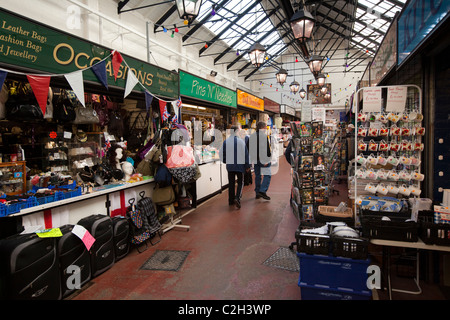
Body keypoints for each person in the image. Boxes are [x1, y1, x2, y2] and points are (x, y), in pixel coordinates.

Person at [219, 124, 250, 209]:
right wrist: (247, 166)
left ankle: (231, 201)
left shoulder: (226, 141)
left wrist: (225, 161)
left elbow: (222, 154)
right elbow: (246, 155)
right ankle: (237, 198)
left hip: (230, 166)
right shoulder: (241, 142)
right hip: (240, 166)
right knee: (240, 182)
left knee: (231, 183)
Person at [248, 122, 272, 200]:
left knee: (258, 176)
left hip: (255, 160)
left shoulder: (251, 136)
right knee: (267, 175)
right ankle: (262, 190)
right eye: (265, 128)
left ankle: (257, 192)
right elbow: (267, 150)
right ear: (262, 127)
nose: (266, 129)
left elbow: (248, 149)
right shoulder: (264, 136)